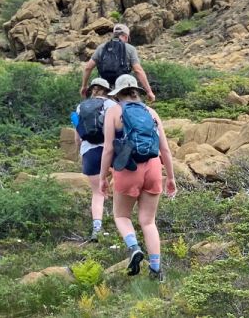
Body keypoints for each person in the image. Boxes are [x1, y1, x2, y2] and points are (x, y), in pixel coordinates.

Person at [99, 74, 177, 281]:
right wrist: (170, 177)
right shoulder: (151, 112)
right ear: (136, 92)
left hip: (128, 168)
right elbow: (166, 150)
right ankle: (156, 270)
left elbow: (108, 149)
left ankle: (134, 248)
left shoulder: (114, 112)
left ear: (118, 94)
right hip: (153, 167)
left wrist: (102, 178)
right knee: (148, 221)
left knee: (122, 216)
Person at [72, 77, 116, 242]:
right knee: (118, 187)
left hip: (89, 152)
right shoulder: (112, 106)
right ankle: (122, 224)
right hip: (110, 150)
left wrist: (79, 153)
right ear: (107, 90)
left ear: (92, 90)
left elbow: (78, 137)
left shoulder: (80, 107)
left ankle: (97, 229)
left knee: (97, 193)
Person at [80, 24, 156, 102]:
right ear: (126, 37)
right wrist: (149, 92)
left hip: (105, 89)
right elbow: (138, 70)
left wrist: (84, 86)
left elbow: (88, 68)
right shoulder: (130, 49)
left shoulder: (102, 47)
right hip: (123, 90)